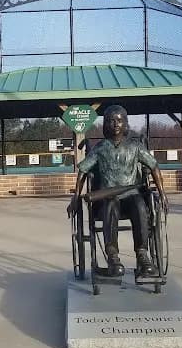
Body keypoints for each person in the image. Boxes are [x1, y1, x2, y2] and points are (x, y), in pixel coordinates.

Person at [67, 105, 168, 277]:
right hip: (107, 197)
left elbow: (154, 166)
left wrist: (162, 193)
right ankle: (113, 256)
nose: (116, 124)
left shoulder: (135, 146)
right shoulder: (101, 148)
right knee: (110, 204)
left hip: (131, 196)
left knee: (140, 205)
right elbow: (83, 171)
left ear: (126, 123)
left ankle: (142, 254)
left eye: (119, 120)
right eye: (112, 121)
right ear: (106, 124)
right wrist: (76, 197)